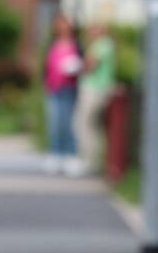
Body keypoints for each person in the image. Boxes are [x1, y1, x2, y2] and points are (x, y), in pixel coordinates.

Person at [44, 14, 84, 176]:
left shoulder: (76, 45)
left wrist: (75, 66)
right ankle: (55, 154)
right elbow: (46, 67)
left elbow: (83, 64)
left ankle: (71, 156)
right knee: (54, 123)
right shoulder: (53, 44)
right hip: (53, 88)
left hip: (68, 88)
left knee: (67, 123)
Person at [76, 22, 115, 172]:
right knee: (94, 126)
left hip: (94, 89)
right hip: (97, 89)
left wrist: (79, 66)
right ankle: (94, 161)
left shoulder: (102, 45)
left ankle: (89, 161)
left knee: (84, 124)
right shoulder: (104, 45)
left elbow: (91, 65)